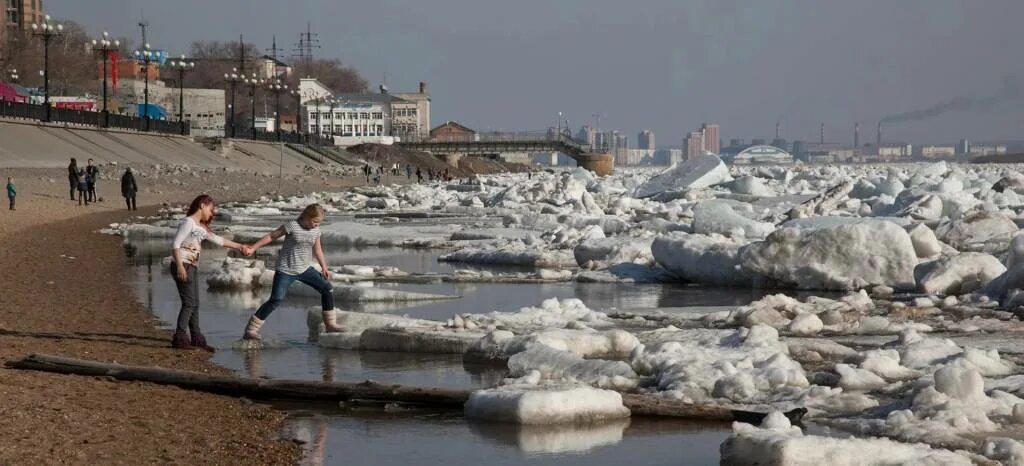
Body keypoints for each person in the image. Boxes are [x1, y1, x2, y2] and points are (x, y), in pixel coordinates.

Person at [241, 204, 342, 340]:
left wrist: (324, 266)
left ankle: (330, 325)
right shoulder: (292, 226)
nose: (316, 225)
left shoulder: (316, 231)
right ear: (306, 216)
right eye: (315, 221)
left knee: (327, 289)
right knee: (276, 299)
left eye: (319, 223)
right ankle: (250, 330)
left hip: (305, 269)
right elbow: (271, 236)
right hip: (286, 270)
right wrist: (253, 248)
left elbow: (317, 249)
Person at [170, 194, 249, 351]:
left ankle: (197, 339)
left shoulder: (200, 227)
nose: (212, 213)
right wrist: (179, 266)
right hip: (183, 265)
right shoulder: (188, 222)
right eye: (211, 209)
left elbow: (219, 240)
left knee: (195, 304)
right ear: (202, 205)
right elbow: (175, 244)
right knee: (189, 303)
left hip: (192, 266)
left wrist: (240, 246)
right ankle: (179, 338)